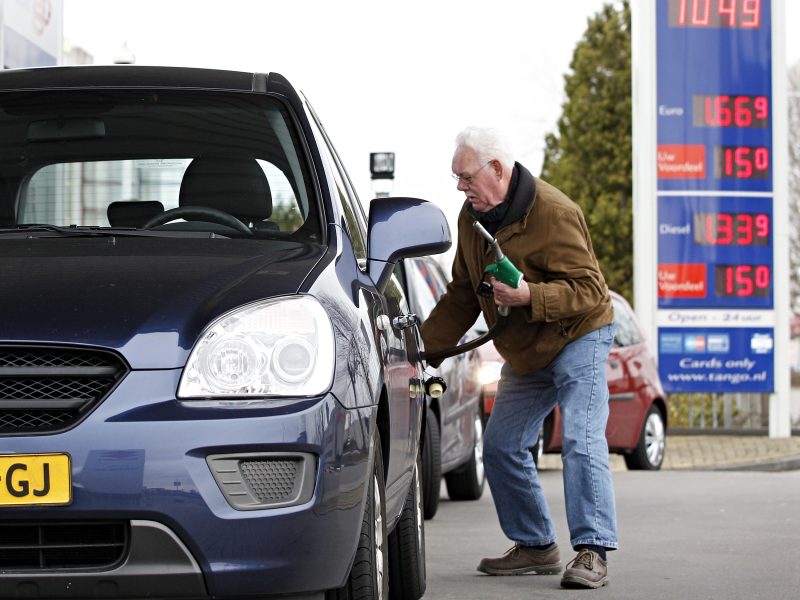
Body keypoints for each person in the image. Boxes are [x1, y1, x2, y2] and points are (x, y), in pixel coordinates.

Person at [420, 126, 617, 589]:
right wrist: (419, 352)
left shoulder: (555, 211)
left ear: (496, 169)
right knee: (502, 444)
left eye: (466, 177)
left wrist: (529, 294)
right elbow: (463, 295)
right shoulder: (472, 220)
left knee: (581, 440)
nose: (460, 187)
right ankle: (535, 544)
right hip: (529, 350)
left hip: (578, 335)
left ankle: (592, 551)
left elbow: (591, 290)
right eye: (456, 178)